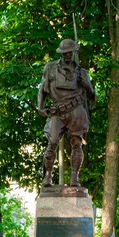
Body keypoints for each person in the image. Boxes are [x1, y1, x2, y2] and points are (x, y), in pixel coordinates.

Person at [38, 39, 96, 187]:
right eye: (65, 53)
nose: (67, 55)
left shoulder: (81, 72)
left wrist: (87, 85)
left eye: (70, 52)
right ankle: (48, 176)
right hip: (57, 111)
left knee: (77, 144)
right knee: (52, 142)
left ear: (74, 52)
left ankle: (75, 177)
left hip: (76, 111)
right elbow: (42, 89)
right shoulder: (50, 68)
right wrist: (40, 107)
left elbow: (91, 95)